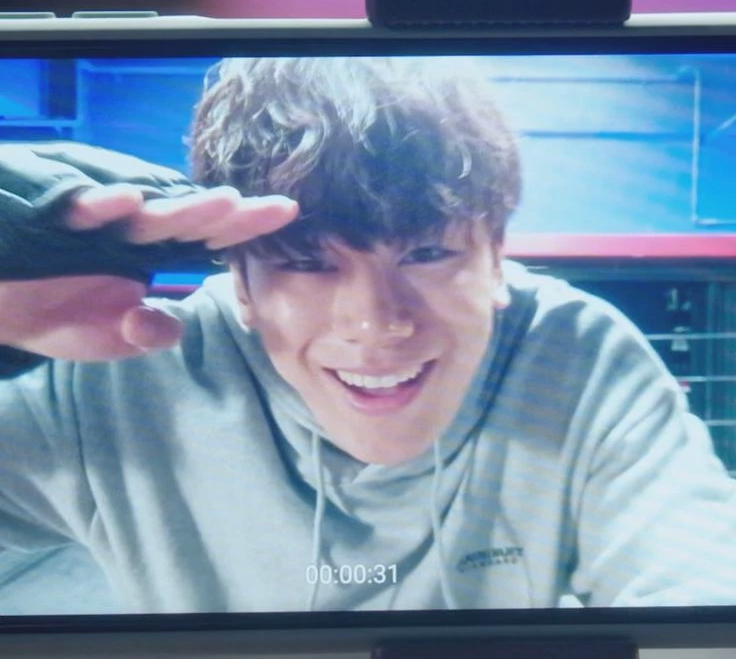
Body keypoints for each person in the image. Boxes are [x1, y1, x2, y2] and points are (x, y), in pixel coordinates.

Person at [0, 56, 735, 614]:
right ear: (242, 284)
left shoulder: (574, 353)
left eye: (429, 252)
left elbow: (698, 579)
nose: (377, 322)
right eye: (305, 263)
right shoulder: (124, 370)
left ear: (496, 257)